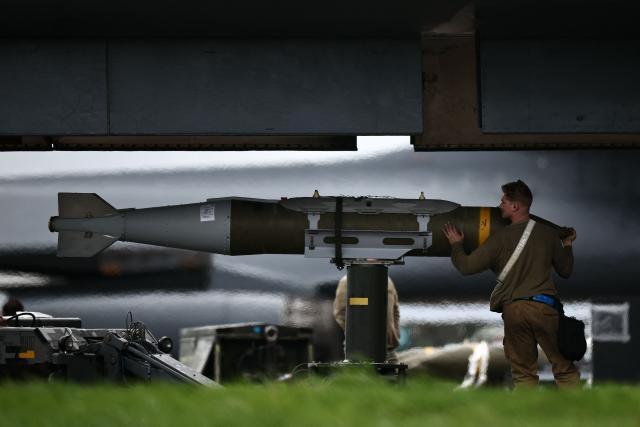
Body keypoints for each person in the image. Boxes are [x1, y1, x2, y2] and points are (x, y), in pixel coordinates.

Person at [442, 179, 580, 389]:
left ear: (515, 206)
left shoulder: (500, 238)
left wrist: (456, 245)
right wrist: (567, 245)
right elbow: (566, 271)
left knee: (523, 374)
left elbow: (467, 267)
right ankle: (580, 417)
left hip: (514, 310)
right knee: (564, 369)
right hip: (544, 308)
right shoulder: (548, 234)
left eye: (503, 201)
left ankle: (525, 419)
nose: (500, 206)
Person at [333, 275, 401, 363]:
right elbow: (340, 312)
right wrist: (357, 333)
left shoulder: (387, 280)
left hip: (388, 349)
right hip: (359, 349)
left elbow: (395, 311)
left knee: (392, 374)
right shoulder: (349, 280)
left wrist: (394, 335)